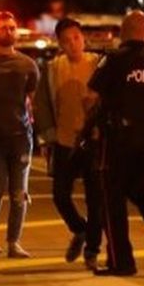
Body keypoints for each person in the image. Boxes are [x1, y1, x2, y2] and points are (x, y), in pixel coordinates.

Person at [88, 10, 144, 277]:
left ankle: (121, 261)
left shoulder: (114, 59)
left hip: (120, 137)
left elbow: (94, 91)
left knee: (112, 199)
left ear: (122, 32)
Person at [33, 17, 105, 269]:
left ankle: (93, 249)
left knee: (96, 199)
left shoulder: (98, 64)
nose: (72, 44)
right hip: (65, 141)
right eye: (66, 40)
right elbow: (41, 104)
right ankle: (81, 229)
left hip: (94, 141)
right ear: (60, 44)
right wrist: (48, 137)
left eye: (76, 37)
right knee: (60, 195)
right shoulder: (53, 69)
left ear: (82, 37)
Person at [0, 12, 39, 259]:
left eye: (12, 27)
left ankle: (13, 242)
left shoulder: (28, 65)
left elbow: (32, 100)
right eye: (3, 27)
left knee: (19, 194)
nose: (8, 31)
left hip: (20, 138)